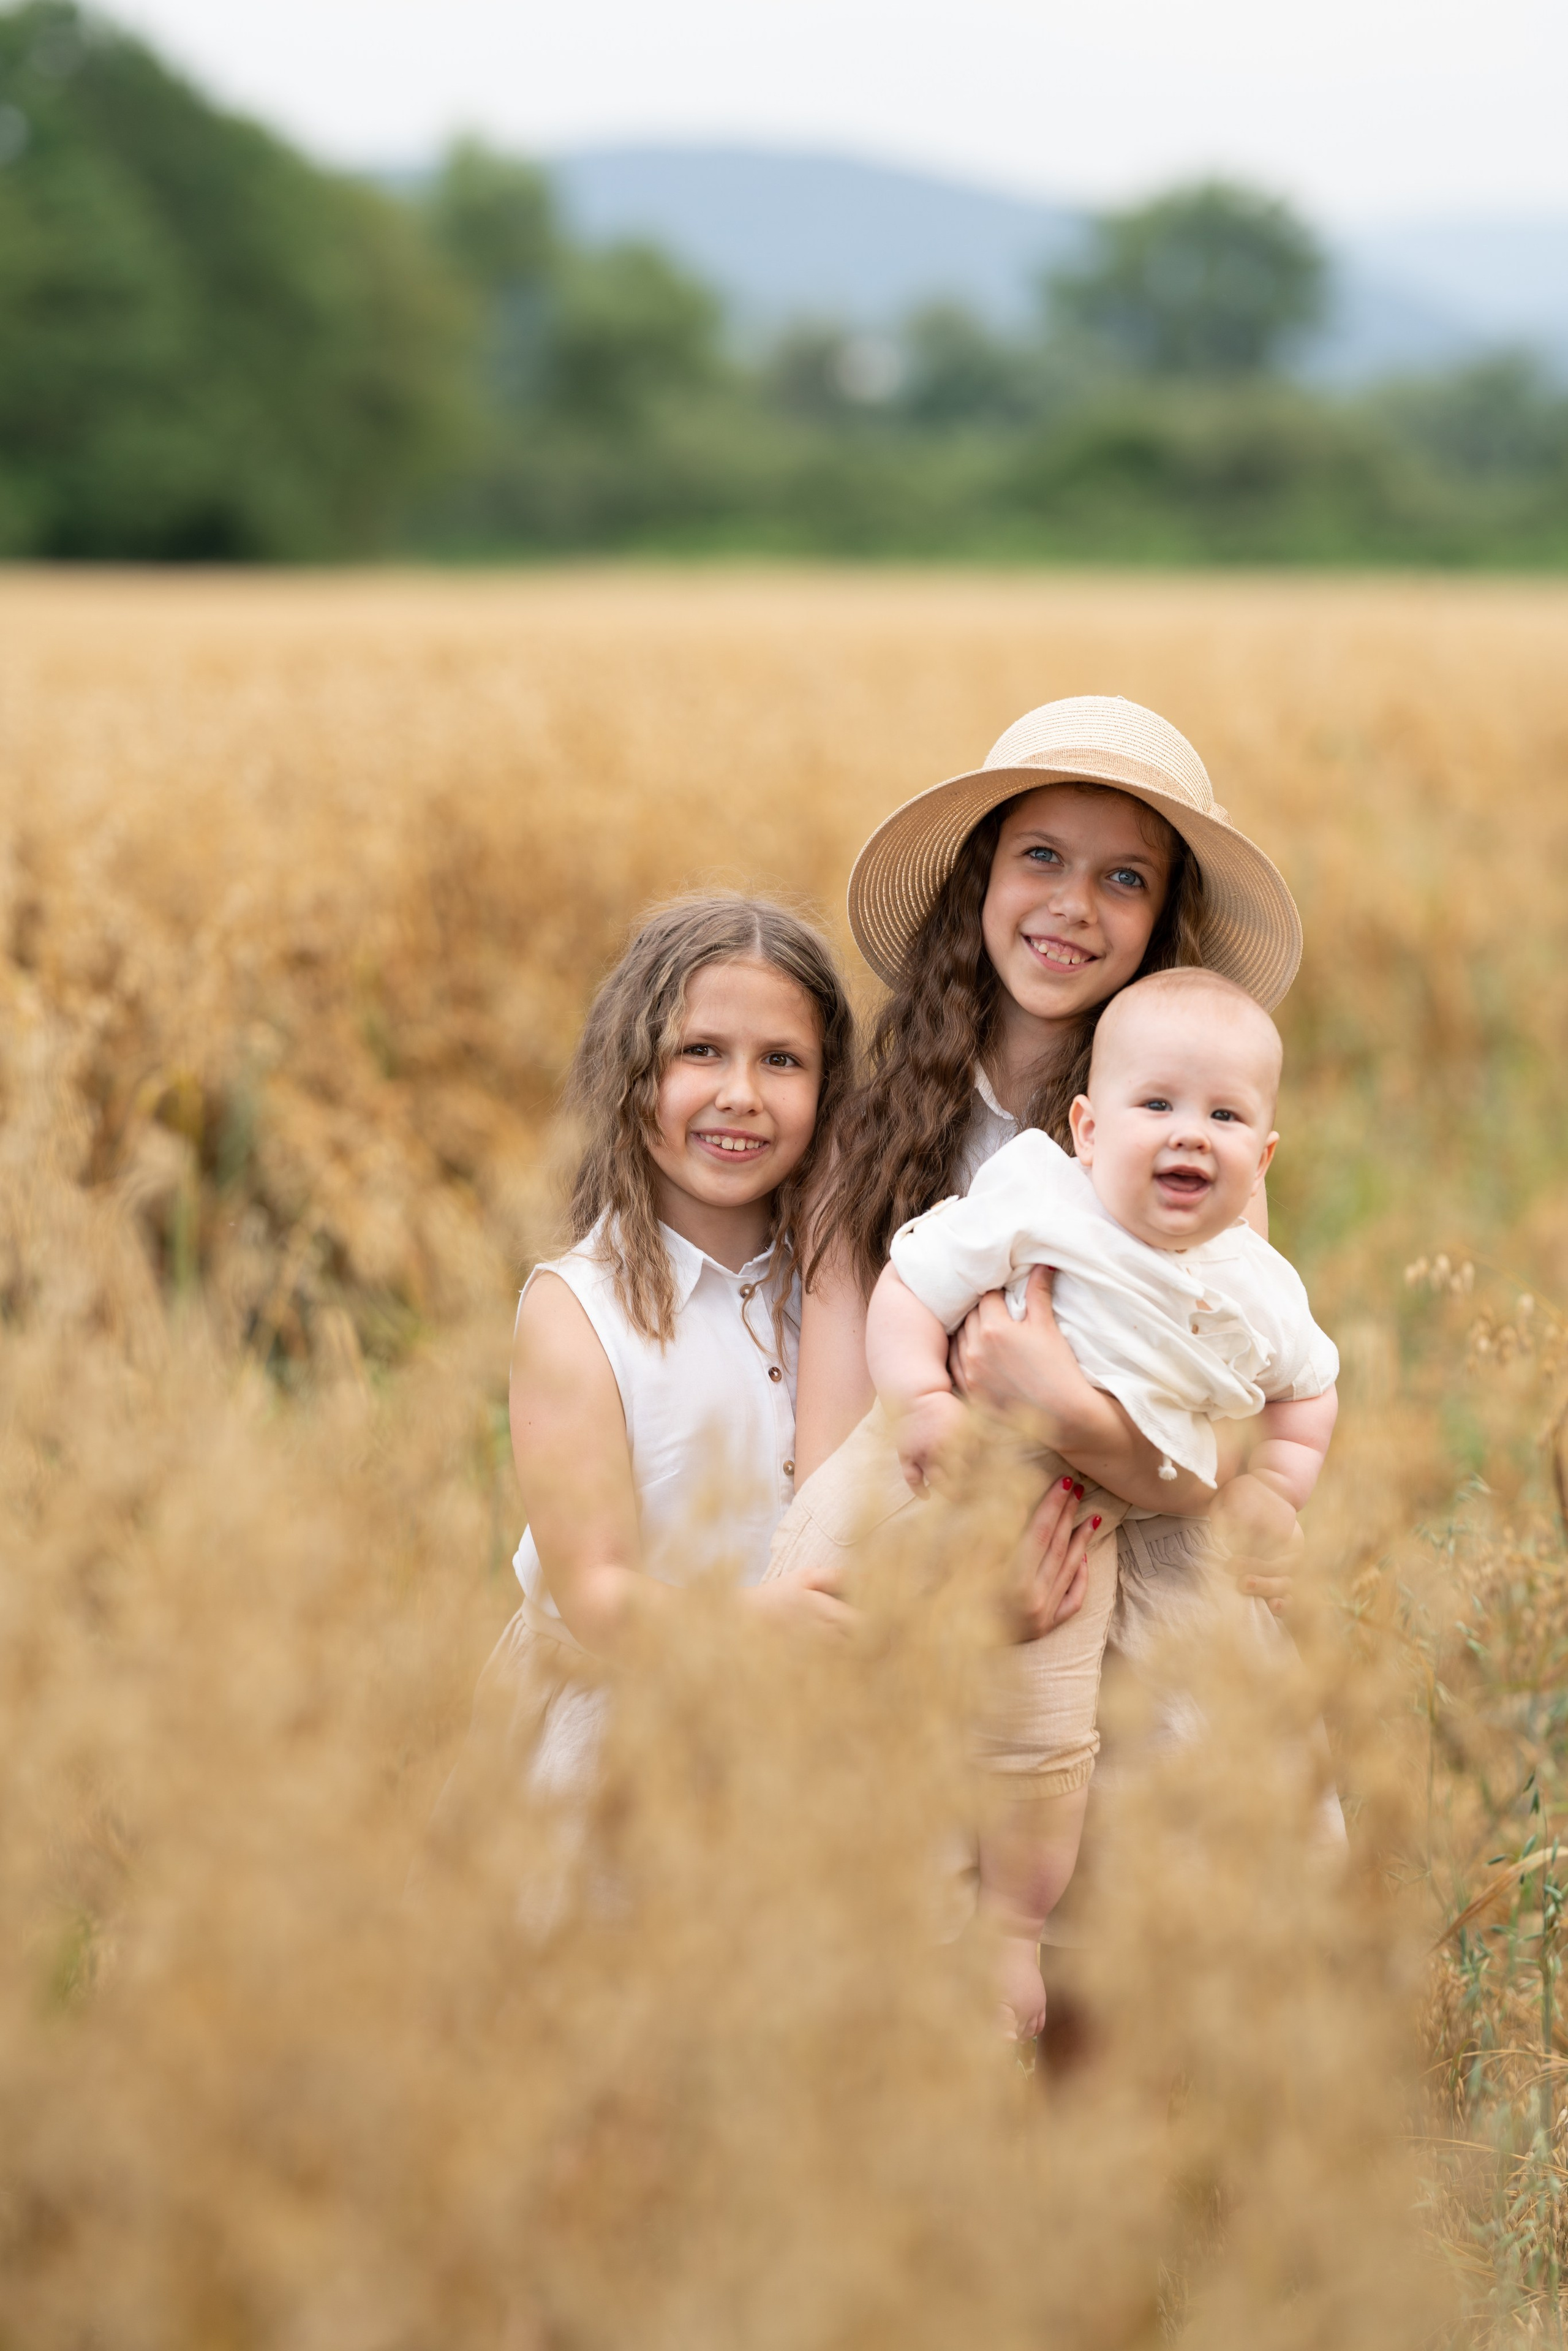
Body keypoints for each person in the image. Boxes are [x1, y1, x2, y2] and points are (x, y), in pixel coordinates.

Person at [781, 694, 1311, 2031]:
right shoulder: (874, 1128)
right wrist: (954, 1581)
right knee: (920, 1928)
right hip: (928, 1540)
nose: (1073, 902)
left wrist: (1057, 1403)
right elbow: (835, 1422)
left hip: (1137, 1563)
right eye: (1040, 856)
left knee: (1109, 1936)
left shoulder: (1182, 1139)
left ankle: (1101, 2217)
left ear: (1159, 919)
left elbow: (1220, 1437)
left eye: (1122, 876)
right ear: (978, 877)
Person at [497, 891, 1096, 1809]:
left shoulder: (855, 1292)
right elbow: (593, 1591)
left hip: (812, 1750)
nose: (741, 1093)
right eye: (700, 1051)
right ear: (630, 1069)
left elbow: (887, 1524)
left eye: (783, 1060)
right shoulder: (579, 1308)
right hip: (632, 1753)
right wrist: (751, 1623)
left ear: (829, 1088)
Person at [865, 966, 1338, 2026]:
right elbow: (910, 1289)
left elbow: (1310, 1392)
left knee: (1149, 1753)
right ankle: (1004, 1930)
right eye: (1157, 1106)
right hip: (1004, 1488)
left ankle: (1141, 1988)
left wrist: (1279, 1486)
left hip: (1136, 1513)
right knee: (1027, 1729)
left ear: (1261, 1156)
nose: (1189, 1135)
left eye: (1224, 1116)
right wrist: (924, 1401)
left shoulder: (1254, 1277)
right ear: (1087, 1127)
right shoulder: (1041, 1198)